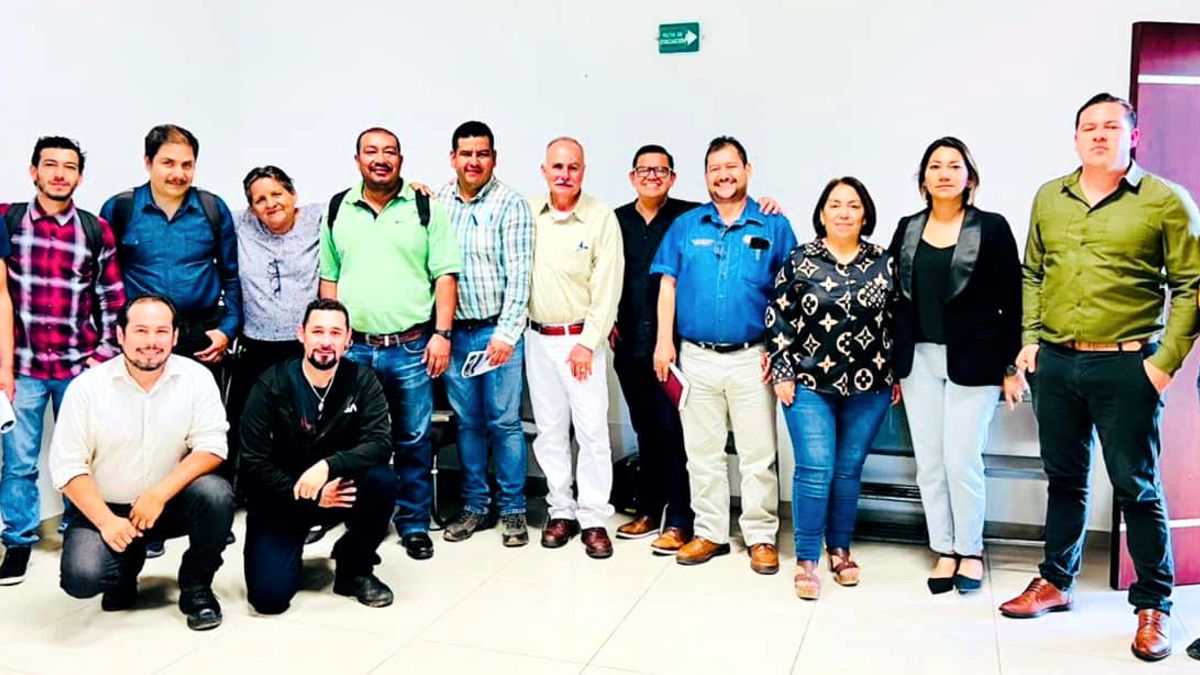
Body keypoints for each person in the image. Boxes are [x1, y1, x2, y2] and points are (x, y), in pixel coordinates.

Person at [998, 93, 1200, 663]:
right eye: (1089, 127)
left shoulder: (1165, 200)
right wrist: (1031, 339)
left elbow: (1192, 286)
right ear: (1076, 137)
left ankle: (1154, 604)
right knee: (1064, 479)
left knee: (1136, 486)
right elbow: (1033, 271)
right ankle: (1055, 581)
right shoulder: (1049, 196)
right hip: (1057, 363)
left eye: (1111, 126)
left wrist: (1163, 364)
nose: (1099, 135)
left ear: (1133, 136)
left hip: (1127, 365)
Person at [651, 136, 797, 575]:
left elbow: (790, 296)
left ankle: (761, 536)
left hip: (754, 358)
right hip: (695, 357)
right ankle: (710, 532)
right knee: (702, 453)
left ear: (747, 170)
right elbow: (667, 285)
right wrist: (663, 342)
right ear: (705, 176)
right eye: (715, 168)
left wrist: (779, 352)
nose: (723, 175)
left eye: (731, 166)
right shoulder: (687, 226)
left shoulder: (773, 225)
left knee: (758, 454)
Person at [49, 295, 233, 631]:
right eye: (141, 330)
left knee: (216, 494)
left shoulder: (196, 378)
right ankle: (124, 567)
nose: (151, 342)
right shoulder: (87, 388)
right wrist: (107, 522)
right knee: (83, 577)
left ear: (175, 337)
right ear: (120, 335)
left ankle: (197, 586)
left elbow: (212, 447)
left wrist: (159, 494)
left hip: (169, 503)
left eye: (161, 331)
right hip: (108, 508)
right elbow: (68, 467)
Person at [319, 127, 461, 561]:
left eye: (389, 152)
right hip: (355, 349)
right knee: (349, 438)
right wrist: (330, 339)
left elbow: (445, 276)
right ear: (357, 159)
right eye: (371, 151)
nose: (380, 158)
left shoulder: (424, 207)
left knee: (413, 438)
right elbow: (330, 278)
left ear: (401, 159)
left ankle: (413, 523)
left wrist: (442, 334)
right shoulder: (338, 208)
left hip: (411, 347)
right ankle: (359, 518)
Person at [888, 137, 1022, 595]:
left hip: (976, 362)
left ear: (970, 177)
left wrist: (1011, 366)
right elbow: (894, 299)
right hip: (918, 360)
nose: (944, 173)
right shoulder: (908, 229)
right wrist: (893, 365)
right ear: (923, 179)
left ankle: (971, 550)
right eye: (935, 166)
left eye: (953, 165)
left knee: (961, 459)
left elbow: (1013, 299)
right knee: (929, 462)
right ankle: (944, 547)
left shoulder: (992, 228)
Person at [100, 125, 240, 556]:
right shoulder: (121, 208)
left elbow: (232, 276)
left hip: (200, 334)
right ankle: (150, 521)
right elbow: (103, 278)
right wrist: (116, 336)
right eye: (168, 163)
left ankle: (208, 517)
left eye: (187, 164)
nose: (178, 173)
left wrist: (226, 329)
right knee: (144, 430)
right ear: (148, 163)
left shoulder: (212, 209)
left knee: (202, 432)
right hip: (144, 336)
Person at [0, 137, 125, 585]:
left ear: (80, 177)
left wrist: (103, 356)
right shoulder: (8, 220)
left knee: (82, 456)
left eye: (69, 167)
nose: (59, 174)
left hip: (78, 367)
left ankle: (78, 529)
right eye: (50, 165)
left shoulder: (95, 230)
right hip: (24, 368)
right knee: (18, 461)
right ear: (33, 171)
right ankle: (18, 541)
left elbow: (111, 298)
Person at [766, 177, 895, 599]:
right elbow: (778, 316)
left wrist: (897, 373)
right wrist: (782, 370)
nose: (844, 212)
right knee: (815, 469)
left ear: (865, 214)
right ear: (822, 214)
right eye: (835, 205)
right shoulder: (801, 260)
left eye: (853, 205)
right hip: (808, 384)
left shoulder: (883, 261)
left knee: (847, 470)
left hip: (871, 386)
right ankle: (807, 558)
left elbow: (898, 321)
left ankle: (839, 548)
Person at [239, 299, 398, 613]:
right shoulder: (271, 384)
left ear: (348, 339)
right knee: (269, 599)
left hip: (339, 493)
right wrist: (308, 495)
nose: (326, 341)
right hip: (281, 499)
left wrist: (328, 467)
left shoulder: (362, 380)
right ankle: (286, 553)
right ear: (301, 334)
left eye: (335, 333)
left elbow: (380, 443)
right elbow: (253, 461)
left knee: (382, 480)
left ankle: (354, 568)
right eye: (318, 331)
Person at [434, 121, 534, 547]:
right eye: (466, 153)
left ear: (494, 158)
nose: (473, 161)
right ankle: (476, 505)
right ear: (453, 158)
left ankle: (513, 509)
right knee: (468, 424)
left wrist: (506, 334)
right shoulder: (437, 202)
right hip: (455, 336)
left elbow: (520, 275)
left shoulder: (511, 204)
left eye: (482, 153)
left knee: (505, 423)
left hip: (498, 332)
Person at [526, 137, 623, 559]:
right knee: (549, 431)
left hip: (581, 342)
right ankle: (561, 510)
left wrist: (587, 343)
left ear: (583, 171)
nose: (565, 174)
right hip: (536, 339)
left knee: (592, 433)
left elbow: (607, 290)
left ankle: (594, 518)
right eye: (557, 167)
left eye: (573, 167)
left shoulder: (600, 218)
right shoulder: (528, 213)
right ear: (544, 170)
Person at [610, 145, 698, 553]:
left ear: (672, 178)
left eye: (660, 170)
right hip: (629, 345)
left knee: (673, 433)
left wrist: (767, 204)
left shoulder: (690, 217)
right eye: (644, 170)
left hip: (673, 347)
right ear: (632, 177)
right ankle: (648, 509)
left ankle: (680, 518)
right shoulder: (615, 221)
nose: (652, 176)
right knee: (644, 430)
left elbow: (733, 211)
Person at [226, 166, 319, 490]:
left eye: (277, 194)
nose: (270, 204)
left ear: (293, 195)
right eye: (260, 199)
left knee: (303, 425)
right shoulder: (239, 223)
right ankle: (244, 493)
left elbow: (365, 198)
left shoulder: (318, 218)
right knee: (244, 423)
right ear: (251, 208)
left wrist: (416, 188)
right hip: (256, 345)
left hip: (302, 346)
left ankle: (305, 494)